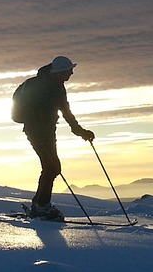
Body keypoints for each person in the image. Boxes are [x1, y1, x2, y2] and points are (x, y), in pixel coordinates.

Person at [14, 55, 95, 219]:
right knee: (52, 167)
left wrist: (80, 131)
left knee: (51, 167)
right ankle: (41, 206)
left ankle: (39, 203)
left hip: (47, 131)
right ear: (59, 72)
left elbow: (66, 111)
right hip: (37, 132)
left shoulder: (57, 86)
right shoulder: (43, 87)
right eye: (69, 70)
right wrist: (79, 131)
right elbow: (65, 112)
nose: (71, 74)